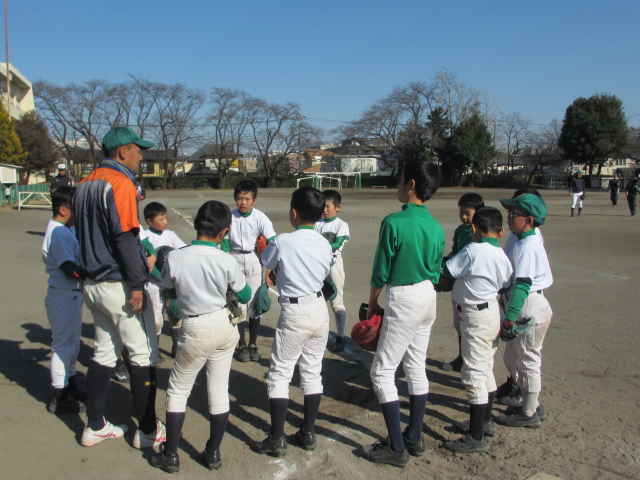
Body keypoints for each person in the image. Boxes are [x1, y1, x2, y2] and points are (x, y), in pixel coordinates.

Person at [73, 126, 165, 449]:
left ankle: (95, 424)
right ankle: (149, 429)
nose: (142, 155)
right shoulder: (120, 182)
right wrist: (138, 283)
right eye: (138, 149)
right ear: (122, 152)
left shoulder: (83, 183)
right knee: (142, 354)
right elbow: (126, 237)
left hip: (92, 282)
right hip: (117, 282)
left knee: (104, 351)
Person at [151, 201, 251, 474]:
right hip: (223, 323)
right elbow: (244, 295)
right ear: (224, 232)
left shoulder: (175, 257)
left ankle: (170, 455)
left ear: (196, 225)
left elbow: (168, 291)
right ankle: (213, 452)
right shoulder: (225, 259)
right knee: (218, 391)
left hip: (194, 325)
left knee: (178, 390)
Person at [361, 159, 444, 468]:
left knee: (381, 372)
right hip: (427, 296)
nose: (397, 185)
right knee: (415, 366)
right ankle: (414, 435)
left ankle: (397, 448)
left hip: (404, 297)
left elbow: (380, 271)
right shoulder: (435, 226)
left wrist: (372, 304)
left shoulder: (394, 222)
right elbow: (436, 269)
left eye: (400, 180)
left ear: (411, 185)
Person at [254, 186, 333, 457]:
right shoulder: (324, 241)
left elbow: (267, 259)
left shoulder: (284, 240)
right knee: (312, 371)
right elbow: (322, 272)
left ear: (294, 213)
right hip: (319, 308)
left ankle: (276, 438)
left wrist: (266, 253)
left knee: (280, 372)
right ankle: (307, 432)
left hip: (295, 312)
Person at [441, 207, 512, 453]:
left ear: (474, 228)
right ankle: (484, 422)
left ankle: (476, 436)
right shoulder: (501, 253)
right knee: (485, 368)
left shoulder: (473, 249)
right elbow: (505, 284)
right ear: (500, 231)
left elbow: (449, 270)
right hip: (492, 311)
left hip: (475, 316)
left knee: (472, 374)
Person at [495, 193, 553, 429]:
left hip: (527, 306)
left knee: (529, 359)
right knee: (514, 357)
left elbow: (523, 284)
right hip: (522, 304)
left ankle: (530, 412)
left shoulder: (527, 246)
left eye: (514, 214)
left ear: (529, 219)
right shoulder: (521, 238)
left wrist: (509, 319)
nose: (509, 218)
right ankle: (530, 402)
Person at [42, 186, 87, 414]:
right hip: (63, 293)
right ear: (62, 209)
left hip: (70, 294)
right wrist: (93, 271)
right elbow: (69, 268)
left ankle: (69, 385)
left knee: (72, 343)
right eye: (75, 208)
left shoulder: (64, 228)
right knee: (63, 346)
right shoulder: (58, 232)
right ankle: (59, 396)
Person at [221, 180, 276, 363]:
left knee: (253, 303)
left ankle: (253, 343)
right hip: (234, 258)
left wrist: (268, 269)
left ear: (254, 200)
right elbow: (226, 242)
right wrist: (228, 263)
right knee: (237, 303)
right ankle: (241, 344)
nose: (243, 202)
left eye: (247, 198)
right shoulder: (230, 216)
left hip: (253, 259)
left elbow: (272, 241)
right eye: (239, 198)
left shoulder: (260, 217)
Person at [441, 192, 485, 372]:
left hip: (472, 285)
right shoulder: (460, 230)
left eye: (468, 213)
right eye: (462, 212)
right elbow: (455, 252)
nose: (464, 216)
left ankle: (471, 362)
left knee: (471, 327)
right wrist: (442, 263)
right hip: (458, 282)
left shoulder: (482, 231)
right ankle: (462, 358)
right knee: (459, 323)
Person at [140, 201, 187, 352]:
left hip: (171, 282)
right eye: (161, 219)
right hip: (154, 282)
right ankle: (154, 348)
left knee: (175, 313)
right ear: (149, 221)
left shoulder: (171, 235)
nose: (165, 222)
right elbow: (146, 263)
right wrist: (160, 276)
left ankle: (176, 346)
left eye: (166, 218)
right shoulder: (145, 237)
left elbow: (183, 250)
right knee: (156, 319)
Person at [314, 189, 350, 352]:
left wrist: (318, 246)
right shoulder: (317, 223)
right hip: (318, 264)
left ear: (338, 207)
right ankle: (318, 334)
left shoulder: (341, 225)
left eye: (328, 206)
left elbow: (337, 243)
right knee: (317, 300)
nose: (325, 209)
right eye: (323, 205)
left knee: (336, 302)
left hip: (334, 264)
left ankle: (340, 336)